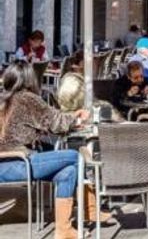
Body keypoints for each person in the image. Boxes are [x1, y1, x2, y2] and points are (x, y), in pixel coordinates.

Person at [0, 62, 90, 238]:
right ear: (30, 78)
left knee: (68, 172)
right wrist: (77, 118)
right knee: (75, 156)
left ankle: (64, 229)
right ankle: (90, 209)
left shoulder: (5, 100)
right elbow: (55, 122)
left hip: (6, 164)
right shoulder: (26, 98)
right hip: (19, 163)